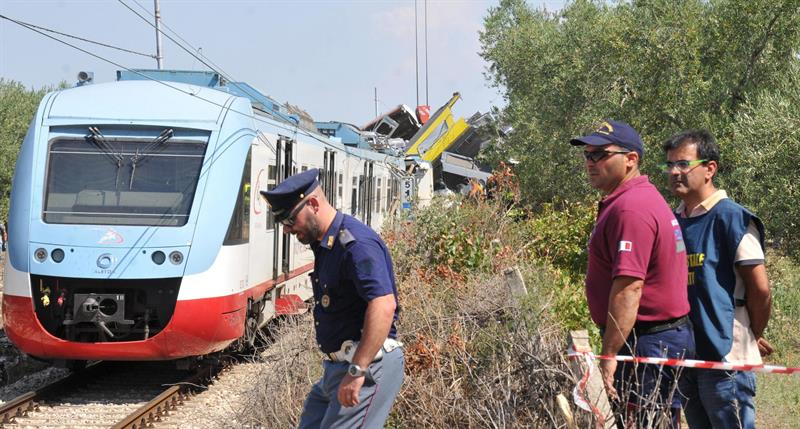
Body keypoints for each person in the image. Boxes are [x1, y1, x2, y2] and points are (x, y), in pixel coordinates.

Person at [570, 120, 694, 427]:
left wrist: (609, 354)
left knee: (647, 422)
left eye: (600, 154)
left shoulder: (631, 209)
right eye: (587, 154)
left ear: (631, 159)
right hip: (651, 339)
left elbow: (629, 289)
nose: (590, 161)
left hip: (647, 342)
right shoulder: (631, 201)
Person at [261, 168, 404, 429]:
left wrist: (358, 370)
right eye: (283, 223)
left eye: (290, 220)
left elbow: (384, 304)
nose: (287, 230)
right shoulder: (327, 244)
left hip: (367, 366)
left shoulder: (356, 245)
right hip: (336, 369)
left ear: (313, 204)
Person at [662, 130, 772, 429]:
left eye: (683, 164)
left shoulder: (732, 218)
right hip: (684, 356)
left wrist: (751, 333)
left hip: (726, 357)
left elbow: (760, 290)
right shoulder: (673, 221)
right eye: (669, 165)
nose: (674, 172)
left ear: (710, 168)